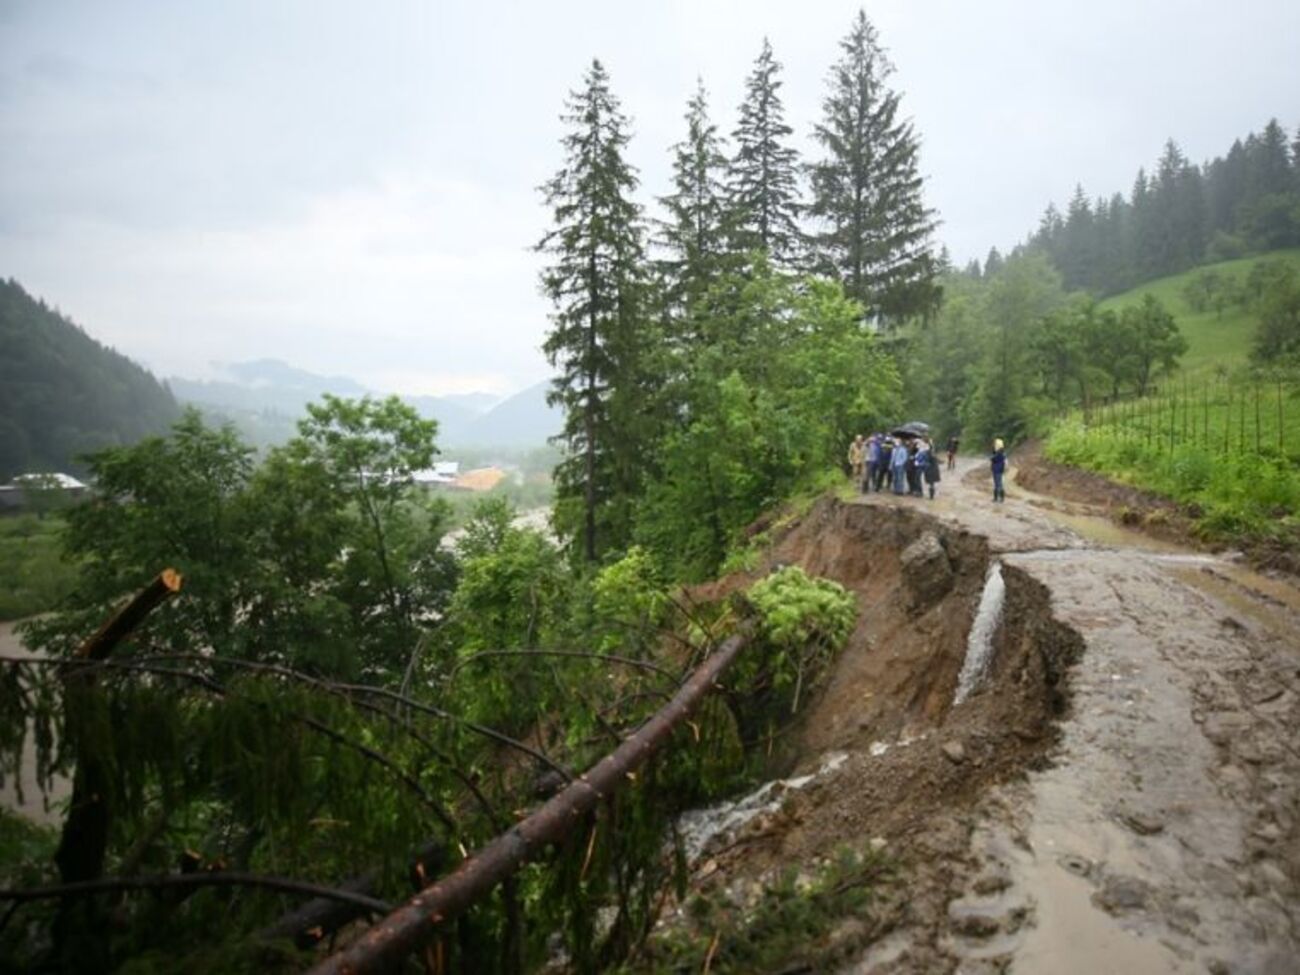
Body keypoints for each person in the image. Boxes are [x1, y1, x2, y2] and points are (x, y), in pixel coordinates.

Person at [990, 437, 1007, 502]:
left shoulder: (999, 453)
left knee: (998, 484)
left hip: (997, 470)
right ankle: (997, 498)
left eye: (995, 444)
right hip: (998, 469)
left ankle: (998, 498)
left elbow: (992, 458)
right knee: (997, 484)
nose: (993, 445)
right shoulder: (1001, 453)